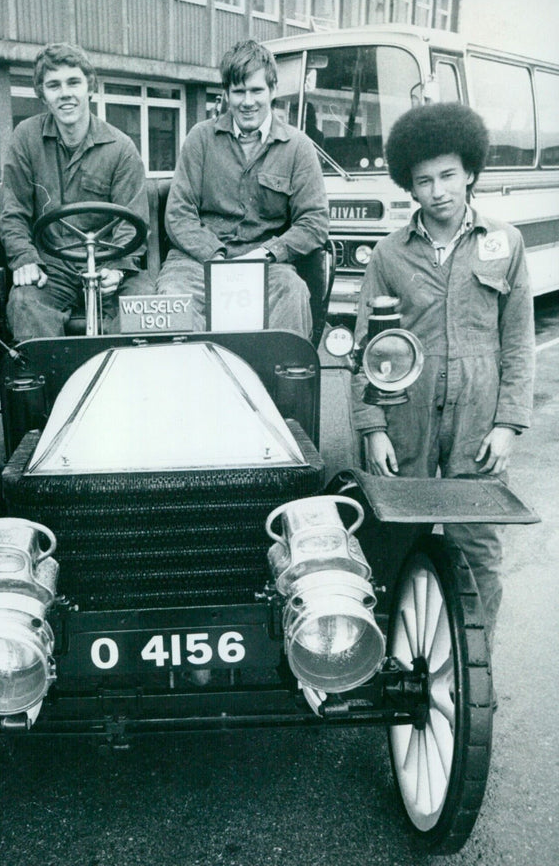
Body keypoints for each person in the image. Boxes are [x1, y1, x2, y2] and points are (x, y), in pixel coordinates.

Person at [352, 102, 535, 654]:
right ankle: (392, 659)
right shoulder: (388, 255)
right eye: (424, 180)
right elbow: (366, 350)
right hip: (405, 411)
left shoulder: (504, 244)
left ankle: (470, 666)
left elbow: (518, 342)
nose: (438, 191)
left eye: (448, 175)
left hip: (478, 417)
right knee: (394, 537)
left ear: (471, 172)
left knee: (477, 544)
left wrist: (507, 424)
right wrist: (373, 427)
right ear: (410, 186)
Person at [157, 40, 329, 336]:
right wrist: (216, 256)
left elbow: (314, 222)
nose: (247, 102)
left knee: (293, 292)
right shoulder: (200, 139)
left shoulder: (298, 147)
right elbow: (178, 213)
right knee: (173, 298)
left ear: (273, 90)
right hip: (197, 264)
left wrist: (265, 254)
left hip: (266, 267)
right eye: (238, 92)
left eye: (256, 90)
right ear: (226, 94)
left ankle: (281, 382)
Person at [0, 43, 151, 339]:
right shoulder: (25, 139)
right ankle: (48, 384)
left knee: (140, 305)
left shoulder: (121, 149)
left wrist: (118, 269)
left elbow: (133, 222)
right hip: (51, 266)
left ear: (90, 87)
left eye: (73, 82)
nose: (65, 93)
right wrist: (25, 258)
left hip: (109, 263)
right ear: (42, 94)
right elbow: (13, 211)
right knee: (24, 302)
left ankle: (124, 381)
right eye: (53, 85)